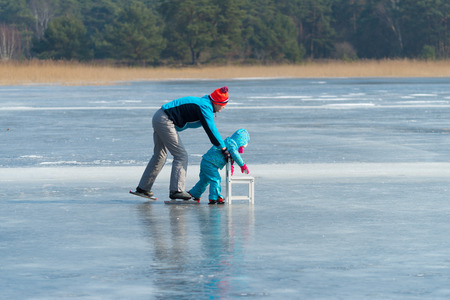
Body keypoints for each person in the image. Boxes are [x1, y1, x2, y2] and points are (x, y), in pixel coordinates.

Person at [134, 86, 230, 200]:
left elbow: (192, 123)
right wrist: (223, 148)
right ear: (216, 102)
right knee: (181, 155)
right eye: (223, 105)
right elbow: (211, 129)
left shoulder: (203, 103)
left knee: (160, 155)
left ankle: (143, 188)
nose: (223, 107)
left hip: (159, 116)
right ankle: (176, 190)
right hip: (165, 120)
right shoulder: (205, 106)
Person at [189, 128, 250, 204]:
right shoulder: (232, 145)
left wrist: (231, 168)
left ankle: (194, 193)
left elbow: (230, 158)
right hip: (210, 164)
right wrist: (243, 165)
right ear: (240, 142)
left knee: (204, 180)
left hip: (205, 161)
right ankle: (214, 197)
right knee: (216, 179)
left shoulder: (228, 143)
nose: (241, 149)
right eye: (242, 146)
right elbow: (235, 155)